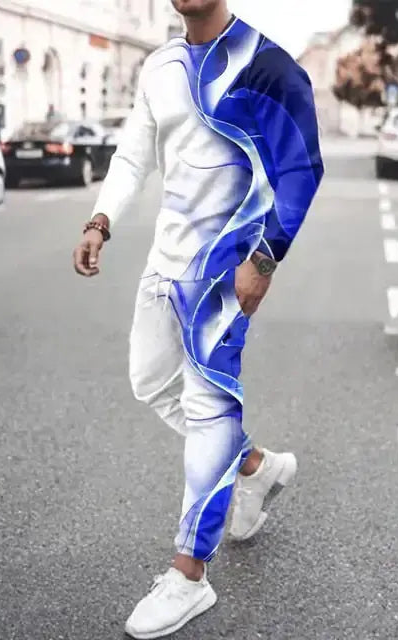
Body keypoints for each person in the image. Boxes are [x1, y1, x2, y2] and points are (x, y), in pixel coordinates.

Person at [72, 1, 324, 637]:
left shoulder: (268, 66)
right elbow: (133, 157)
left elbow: (301, 168)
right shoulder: (160, 64)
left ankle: (189, 574)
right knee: (149, 381)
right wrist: (101, 221)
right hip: (165, 263)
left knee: (209, 406)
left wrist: (263, 259)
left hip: (225, 267)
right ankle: (255, 467)